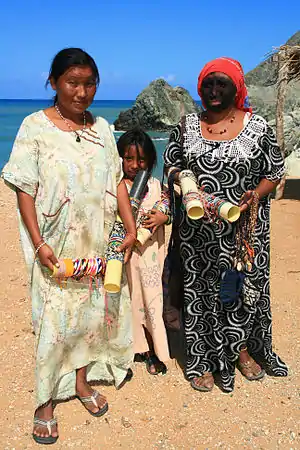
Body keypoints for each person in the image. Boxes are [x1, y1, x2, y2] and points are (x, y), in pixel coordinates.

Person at [1, 48, 137, 445]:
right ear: (54, 82)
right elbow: (24, 188)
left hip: (98, 241)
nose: (81, 92)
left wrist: (128, 227)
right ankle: (44, 402)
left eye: (89, 83)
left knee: (91, 318)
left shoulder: (102, 127)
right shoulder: (34, 127)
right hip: (56, 244)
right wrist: (38, 241)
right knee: (53, 320)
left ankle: (80, 384)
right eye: (72, 82)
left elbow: (115, 181)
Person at [163, 57, 288, 393]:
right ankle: (203, 359)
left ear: (237, 88)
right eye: (208, 84)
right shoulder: (186, 126)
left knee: (239, 290)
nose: (214, 91)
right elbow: (171, 163)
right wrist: (183, 180)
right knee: (202, 291)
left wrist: (253, 196)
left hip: (244, 230)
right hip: (198, 232)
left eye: (222, 84)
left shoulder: (257, 127)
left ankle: (243, 351)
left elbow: (275, 171)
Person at [117, 128, 170, 375]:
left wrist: (163, 217)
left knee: (150, 302)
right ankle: (125, 353)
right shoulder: (116, 186)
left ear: (150, 160)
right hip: (124, 257)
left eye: (141, 160)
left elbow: (168, 207)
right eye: (129, 159)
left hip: (149, 258)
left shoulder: (155, 185)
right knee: (125, 301)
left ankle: (151, 350)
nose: (135, 165)